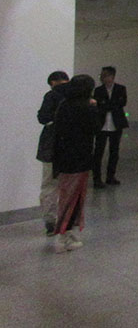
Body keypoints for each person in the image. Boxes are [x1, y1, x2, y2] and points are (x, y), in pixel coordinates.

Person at [52, 74, 97, 252]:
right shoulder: (85, 107)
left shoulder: (65, 104)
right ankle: (63, 236)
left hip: (64, 158)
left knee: (69, 196)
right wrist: (94, 108)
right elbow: (95, 127)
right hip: (78, 159)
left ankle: (67, 231)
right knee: (72, 197)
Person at [36, 71, 70, 236]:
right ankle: (67, 221)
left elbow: (42, 117)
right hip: (69, 146)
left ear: (53, 82)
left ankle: (51, 222)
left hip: (50, 146)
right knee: (68, 185)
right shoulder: (77, 97)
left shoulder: (51, 96)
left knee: (49, 184)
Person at [92, 66, 129, 188]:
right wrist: (110, 105)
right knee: (98, 152)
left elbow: (122, 103)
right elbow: (99, 105)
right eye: (104, 76)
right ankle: (97, 178)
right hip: (102, 124)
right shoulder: (98, 90)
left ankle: (110, 176)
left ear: (113, 76)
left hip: (116, 123)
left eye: (108, 76)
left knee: (114, 151)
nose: (106, 79)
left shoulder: (120, 88)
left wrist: (106, 104)